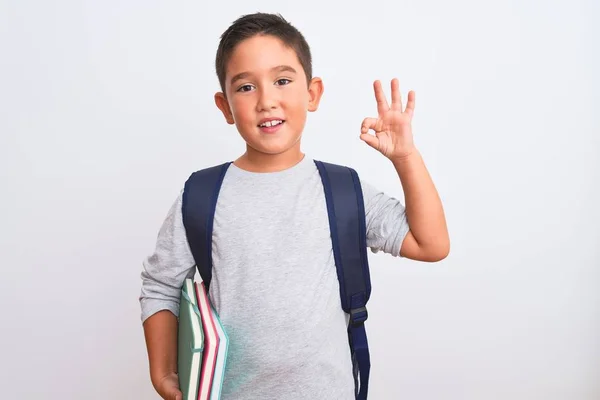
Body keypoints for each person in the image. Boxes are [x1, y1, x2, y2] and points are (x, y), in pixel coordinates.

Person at [139, 12, 449, 400]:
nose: (267, 101)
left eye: (282, 81)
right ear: (224, 106)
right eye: (246, 87)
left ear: (312, 93)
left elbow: (431, 244)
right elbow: (161, 285)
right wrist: (162, 370)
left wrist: (405, 157)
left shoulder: (343, 190)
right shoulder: (202, 195)